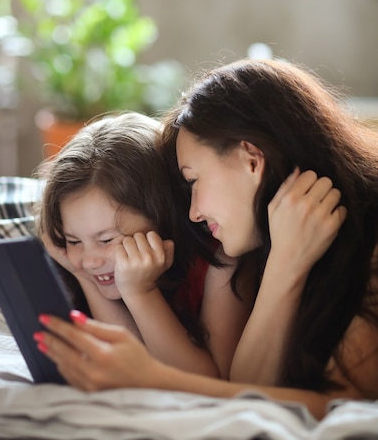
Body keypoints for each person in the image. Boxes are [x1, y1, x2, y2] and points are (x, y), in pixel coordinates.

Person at [33, 59, 378, 420]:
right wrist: (286, 262)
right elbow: (250, 386)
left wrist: (153, 378)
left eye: (193, 180)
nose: (193, 212)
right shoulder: (271, 245)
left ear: (251, 159)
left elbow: (342, 409)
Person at [35, 111, 245, 378]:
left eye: (106, 239)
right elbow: (125, 363)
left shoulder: (222, 261)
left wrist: (140, 292)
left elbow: (200, 382)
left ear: (163, 216)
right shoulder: (82, 262)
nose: (89, 260)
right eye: (74, 240)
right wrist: (82, 275)